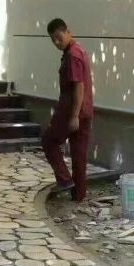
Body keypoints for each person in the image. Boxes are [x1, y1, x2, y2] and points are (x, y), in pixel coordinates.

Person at [42, 19, 94, 202]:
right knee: (79, 154)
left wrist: (73, 116)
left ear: (68, 32)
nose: (57, 42)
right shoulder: (77, 50)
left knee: (48, 140)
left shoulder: (73, 55)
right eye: (53, 40)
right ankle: (78, 195)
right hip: (84, 111)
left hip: (72, 111)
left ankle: (64, 180)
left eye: (59, 37)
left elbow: (79, 86)